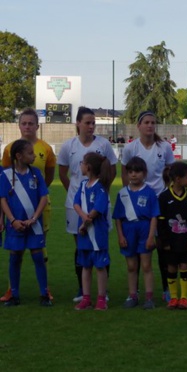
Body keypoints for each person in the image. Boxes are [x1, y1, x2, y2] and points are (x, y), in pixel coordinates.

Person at [57, 106, 117, 302]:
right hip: (75, 205)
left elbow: (112, 171)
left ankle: (103, 291)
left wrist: (99, 192)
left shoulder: (103, 144)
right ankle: (82, 289)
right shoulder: (68, 146)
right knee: (81, 246)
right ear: (78, 123)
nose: (91, 126)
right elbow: (63, 174)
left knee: (100, 244)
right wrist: (78, 196)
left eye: (94, 123)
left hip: (99, 203)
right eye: (88, 123)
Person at [0, 108, 56, 303]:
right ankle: (12, 291)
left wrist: (34, 214)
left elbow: (49, 178)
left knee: (39, 252)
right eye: (23, 123)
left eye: (30, 123)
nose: (27, 126)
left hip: (37, 213)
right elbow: (4, 189)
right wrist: (9, 218)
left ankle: (44, 291)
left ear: (36, 125)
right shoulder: (9, 150)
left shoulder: (45, 150)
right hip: (14, 216)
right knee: (15, 255)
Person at [121, 111, 175, 302]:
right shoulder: (130, 148)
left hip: (159, 200)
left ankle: (166, 289)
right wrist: (129, 199)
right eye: (146, 122)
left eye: (153, 122)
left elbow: (170, 172)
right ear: (139, 125)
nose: (150, 126)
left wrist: (169, 196)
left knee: (162, 247)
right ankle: (133, 293)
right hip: (137, 203)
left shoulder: (164, 147)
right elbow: (124, 175)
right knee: (136, 248)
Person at [113, 157, 160, 310]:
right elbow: (118, 217)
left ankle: (149, 298)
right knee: (131, 266)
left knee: (146, 265)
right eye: (130, 172)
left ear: (144, 173)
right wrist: (120, 235)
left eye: (138, 171)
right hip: (128, 232)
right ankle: (132, 295)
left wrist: (151, 235)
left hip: (144, 230)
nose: (134, 175)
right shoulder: (122, 193)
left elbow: (154, 216)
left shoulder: (150, 193)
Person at [73, 152, 112, 310]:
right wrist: (84, 219)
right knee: (86, 266)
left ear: (88, 166)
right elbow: (76, 204)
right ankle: (86, 298)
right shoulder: (82, 185)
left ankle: (101, 299)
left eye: (82, 162)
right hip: (84, 233)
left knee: (100, 267)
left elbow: (97, 210)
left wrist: (85, 223)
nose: (80, 165)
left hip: (97, 234)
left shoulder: (100, 189)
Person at [158, 162, 187, 310]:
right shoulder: (164, 197)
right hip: (170, 241)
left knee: (184, 265)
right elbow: (161, 222)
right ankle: (173, 298)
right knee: (171, 268)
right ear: (177, 179)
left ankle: (184, 298)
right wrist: (165, 241)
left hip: (186, 240)